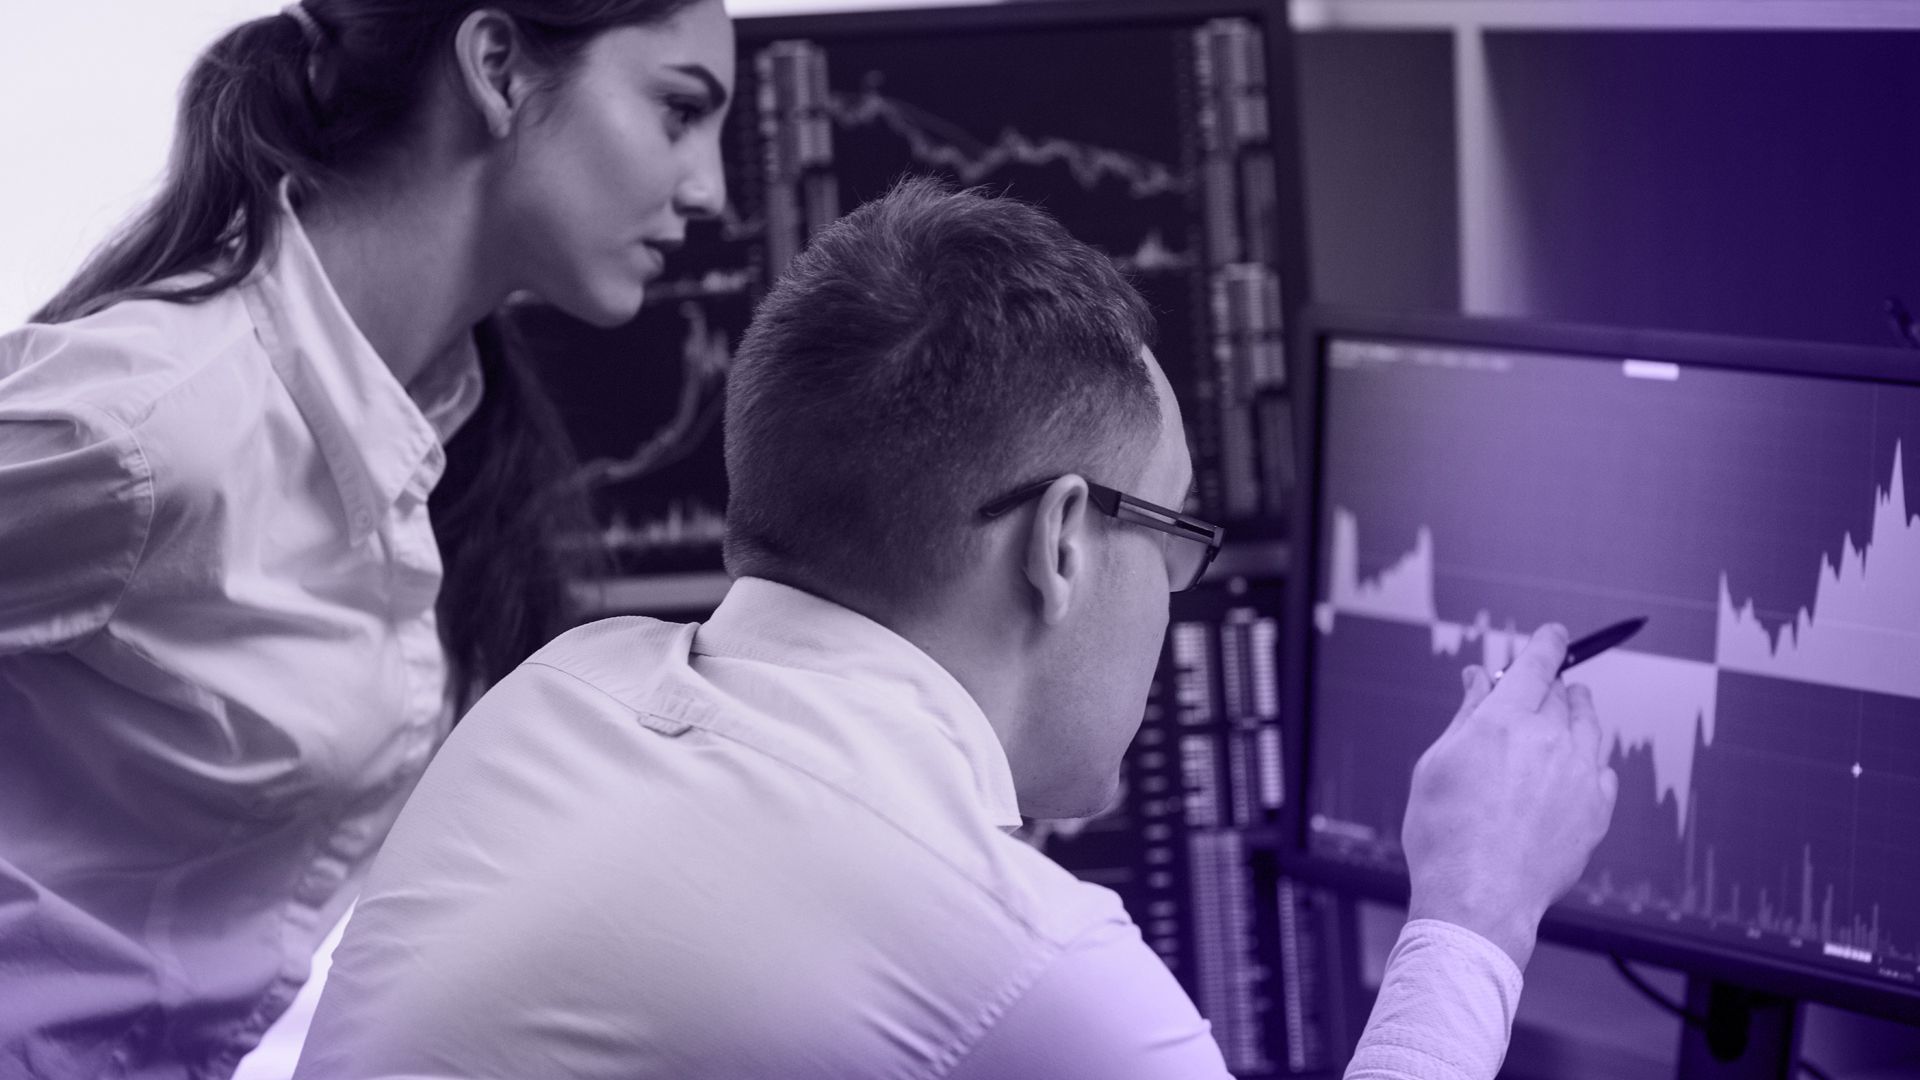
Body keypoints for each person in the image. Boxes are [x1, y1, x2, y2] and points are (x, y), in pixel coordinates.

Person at [293, 179, 1619, 1079]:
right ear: (1059, 545)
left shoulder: (557, 696)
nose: (1175, 601)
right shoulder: (1018, 960)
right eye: (1172, 542)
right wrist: (1476, 905)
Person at [0, 1, 732, 1074]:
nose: (710, 187)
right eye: (678, 111)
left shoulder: (445, 433)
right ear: (497, 69)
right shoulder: (156, 424)